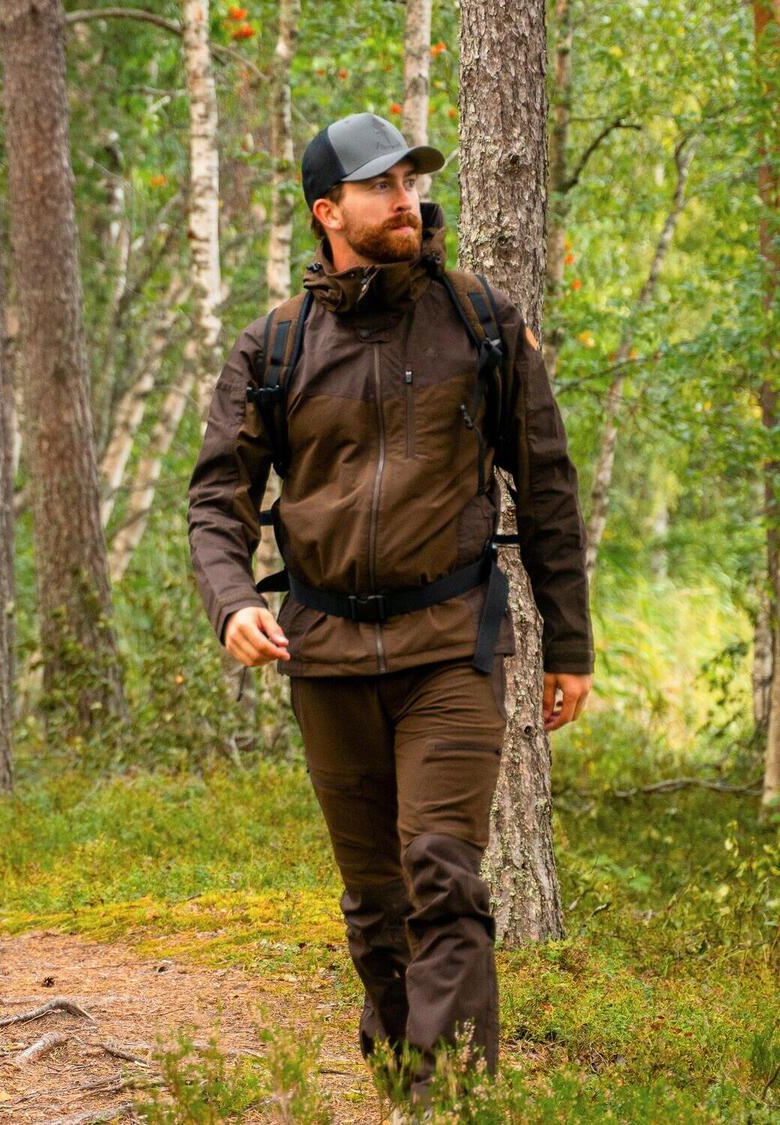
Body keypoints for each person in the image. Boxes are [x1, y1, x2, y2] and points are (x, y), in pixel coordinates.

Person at [187, 112, 594, 1114]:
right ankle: (405, 1074)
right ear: (328, 211)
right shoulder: (275, 344)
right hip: (324, 650)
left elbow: (546, 484)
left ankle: (442, 1101)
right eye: (380, 186)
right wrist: (232, 602)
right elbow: (217, 498)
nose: (405, 199)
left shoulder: (479, 320)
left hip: (452, 644)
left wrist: (570, 642)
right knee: (377, 906)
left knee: (443, 874)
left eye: (410, 181)